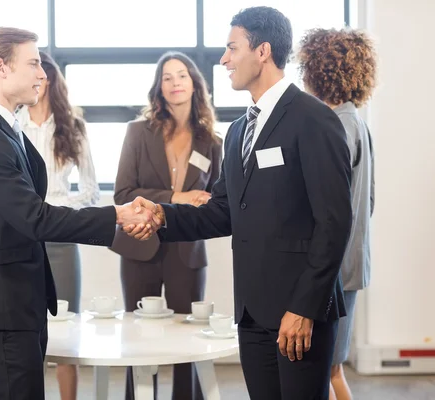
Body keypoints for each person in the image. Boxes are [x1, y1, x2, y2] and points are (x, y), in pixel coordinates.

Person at [125, 7, 353, 400]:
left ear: (262, 51)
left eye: (232, 48)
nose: (224, 59)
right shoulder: (237, 132)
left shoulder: (313, 119)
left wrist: (305, 308)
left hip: (299, 315)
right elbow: (224, 211)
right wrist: (164, 216)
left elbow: (334, 223)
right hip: (251, 313)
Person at [0, 27, 157, 400]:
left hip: (15, 297)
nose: (43, 74)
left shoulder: (2, 127)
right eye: (34, 64)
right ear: (0, 68)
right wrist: (117, 216)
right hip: (0, 302)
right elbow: (35, 218)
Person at [112, 51, 222, 400]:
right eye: (168, 77)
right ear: (159, 88)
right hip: (138, 246)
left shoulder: (212, 141)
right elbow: (124, 193)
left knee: (187, 340)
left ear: (195, 84)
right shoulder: (137, 132)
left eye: (182, 76)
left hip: (187, 251)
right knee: (138, 338)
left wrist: (199, 200)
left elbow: (214, 201)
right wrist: (177, 196)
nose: (175, 83)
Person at [298, 28, 377, 400]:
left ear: (318, 71)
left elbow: (326, 206)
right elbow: (369, 202)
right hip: (352, 266)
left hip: (333, 271)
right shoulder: (357, 122)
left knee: (324, 371)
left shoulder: (335, 127)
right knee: (332, 368)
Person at [16, 51, 98, 400]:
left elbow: (91, 192)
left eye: (40, 72)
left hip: (62, 239)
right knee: (23, 329)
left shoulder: (73, 126)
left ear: (50, 79)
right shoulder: (12, 123)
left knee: (67, 328)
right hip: (22, 237)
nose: (36, 79)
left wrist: (58, 211)